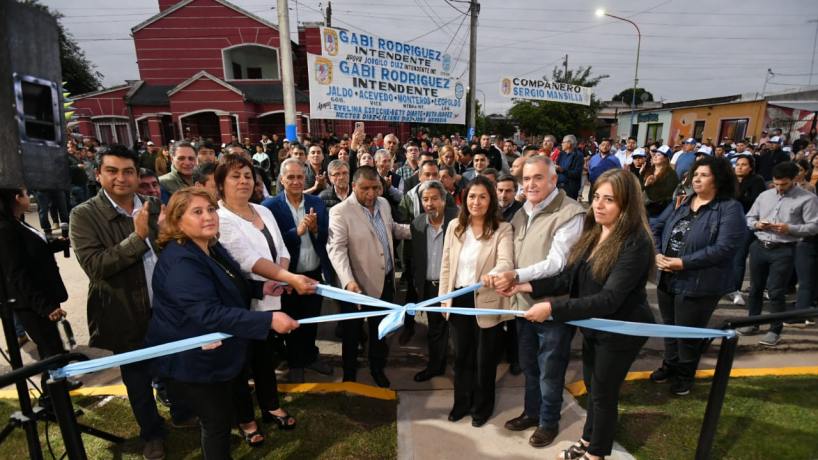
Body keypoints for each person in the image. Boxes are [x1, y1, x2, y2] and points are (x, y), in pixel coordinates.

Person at [500, 168, 655, 460]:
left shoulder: (635, 243)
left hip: (621, 331)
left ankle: (596, 454)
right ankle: (587, 441)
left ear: (627, 204)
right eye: (596, 196)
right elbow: (566, 279)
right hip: (595, 328)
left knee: (603, 395)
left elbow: (608, 300)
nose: (598, 204)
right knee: (594, 390)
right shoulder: (594, 233)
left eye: (609, 199)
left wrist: (552, 308)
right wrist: (525, 285)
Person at [146, 188, 301, 459]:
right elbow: (209, 314)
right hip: (196, 362)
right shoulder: (182, 261)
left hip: (215, 356)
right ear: (177, 220)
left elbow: (231, 281)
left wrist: (261, 289)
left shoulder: (210, 246)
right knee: (216, 424)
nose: (208, 217)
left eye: (210, 209)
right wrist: (268, 319)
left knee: (220, 418)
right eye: (197, 212)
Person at [69, 144, 167, 459]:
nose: (121, 178)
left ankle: (181, 413)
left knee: (174, 367)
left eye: (128, 171)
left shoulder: (153, 204)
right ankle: (152, 434)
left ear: (139, 175)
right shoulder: (83, 215)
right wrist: (137, 239)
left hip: (165, 308)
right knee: (138, 382)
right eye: (112, 171)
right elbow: (96, 267)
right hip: (126, 313)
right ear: (98, 174)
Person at [485, 156, 585, 448]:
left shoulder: (570, 213)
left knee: (550, 370)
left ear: (553, 180)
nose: (530, 184)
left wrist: (514, 274)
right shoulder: (521, 212)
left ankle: (548, 422)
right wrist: (499, 274)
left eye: (538, 178)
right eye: (526, 179)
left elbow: (557, 263)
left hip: (552, 308)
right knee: (529, 365)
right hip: (523, 305)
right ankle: (532, 412)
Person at [214, 154, 317, 433]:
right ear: (221, 183)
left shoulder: (263, 211)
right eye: (235, 176)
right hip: (240, 301)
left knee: (263, 355)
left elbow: (281, 249)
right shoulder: (220, 220)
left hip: (270, 296)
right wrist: (290, 278)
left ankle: (271, 405)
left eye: (248, 176)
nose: (244, 181)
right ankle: (246, 419)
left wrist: (284, 278)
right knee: (239, 361)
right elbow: (249, 261)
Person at [651, 156, 745, 395]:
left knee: (688, 333)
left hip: (699, 282)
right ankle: (670, 365)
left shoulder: (729, 208)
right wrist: (657, 253)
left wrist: (684, 262)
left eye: (704, 175)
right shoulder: (682, 202)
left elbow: (724, 248)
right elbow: (656, 227)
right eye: (695, 175)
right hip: (668, 276)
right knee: (670, 328)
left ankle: (685, 375)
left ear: (718, 179)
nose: (697, 179)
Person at [439, 175, 514, 427]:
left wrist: (493, 274)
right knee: (461, 357)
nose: (476, 202)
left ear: (491, 199)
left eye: (483, 196)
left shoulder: (502, 229)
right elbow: (446, 264)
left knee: (485, 359)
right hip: (459, 297)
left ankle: (482, 408)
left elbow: (506, 262)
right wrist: (444, 298)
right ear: (464, 199)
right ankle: (461, 403)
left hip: (486, 299)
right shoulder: (454, 227)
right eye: (472, 196)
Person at [327, 166, 411, 387]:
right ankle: (349, 375)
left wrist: (418, 229)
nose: (371, 194)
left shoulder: (383, 204)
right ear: (353, 186)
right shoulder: (340, 211)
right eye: (365, 188)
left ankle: (377, 367)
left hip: (385, 281)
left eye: (376, 188)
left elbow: (391, 229)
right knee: (352, 334)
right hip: (355, 286)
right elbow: (337, 249)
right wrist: (348, 281)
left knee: (380, 330)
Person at [264, 158, 335, 383]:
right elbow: (269, 243)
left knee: (311, 318)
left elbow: (325, 237)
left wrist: (315, 230)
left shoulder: (317, 202)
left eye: (299, 177)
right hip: (288, 276)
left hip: (313, 272)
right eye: (291, 177)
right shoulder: (270, 207)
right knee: (292, 320)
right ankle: (295, 362)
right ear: (282, 179)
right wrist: (298, 231)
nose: (296, 181)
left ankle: (310, 355)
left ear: (306, 178)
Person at [0, 188, 73, 403]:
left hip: (44, 295)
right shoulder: (5, 229)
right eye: (24, 193)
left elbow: (31, 252)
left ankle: (59, 388)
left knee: (54, 347)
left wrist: (57, 244)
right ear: (16, 198)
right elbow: (16, 274)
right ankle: (51, 398)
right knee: (50, 349)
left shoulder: (17, 222)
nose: (28, 196)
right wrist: (45, 307)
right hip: (32, 303)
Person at [741, 162, 818, 345]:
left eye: (783, 184)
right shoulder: (765, 195)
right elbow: (750, 217)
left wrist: (789, 228)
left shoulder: (807, 199)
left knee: (776, 291)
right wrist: (757, 224)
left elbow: (814, 226)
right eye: (776, 184)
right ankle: (753, 322)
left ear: (794, 179)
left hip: (784, 249)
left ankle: (775, 330)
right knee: (755, 289)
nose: (779, 188)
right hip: (759, 245)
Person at [410, 181, 460, 382]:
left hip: (456, 288)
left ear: (444, 199)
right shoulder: (418, 224)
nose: (429, 203)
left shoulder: (458, 219)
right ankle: (435, 367)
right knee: (435, 331)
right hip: (431, 288)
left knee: (458, 332)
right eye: (425, 199)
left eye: (434, 198)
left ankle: (462, 371)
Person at [729, 155, 766, 305]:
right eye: (738, 164)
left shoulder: (756, 180)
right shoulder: (730, 180)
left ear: (751, 167)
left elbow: (754, 202)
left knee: (739, 257)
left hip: (747, 223)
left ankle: (735, 289)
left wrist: (738, 197)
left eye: (744, 164)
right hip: (729, 222)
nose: (739, 167)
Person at [644, 145, 679, 218]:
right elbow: (640, 187)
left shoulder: (671, 174)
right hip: (643, 207)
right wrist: (646, 184)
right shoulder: (648, 170)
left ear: (666, 158)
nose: (655, 156)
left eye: (659, 155)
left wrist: (649, 186)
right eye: (655, 154)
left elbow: (665, 195)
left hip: (657, 212)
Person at [556, 135, 584, 200]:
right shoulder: (561, 154)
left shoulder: (578, 155)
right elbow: (557, 167)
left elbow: (577, 174)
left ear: (569, 144)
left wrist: (562, 170)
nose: (561, 144)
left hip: (570, 189)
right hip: (559, 186)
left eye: (563, 142)